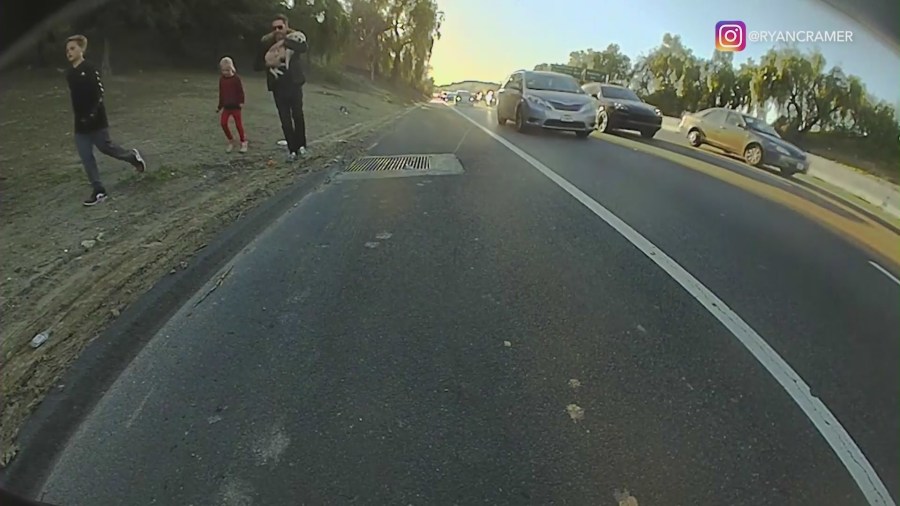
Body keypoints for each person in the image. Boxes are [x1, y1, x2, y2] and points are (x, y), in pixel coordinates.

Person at [64, 34, 146, 206]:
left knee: (106, 148)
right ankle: (99, 190)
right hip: (80, 124)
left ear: (81, 49)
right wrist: (80, 117)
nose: (69, 52)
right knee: (86, 156)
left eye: (72, 48)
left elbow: (99, 93)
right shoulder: (70, 73)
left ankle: (132, 157)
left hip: (96, 120)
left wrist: (92, 114)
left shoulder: (90, 68)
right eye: (67, 50)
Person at [254, 14, 309, 162]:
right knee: (285, 120)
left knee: (297, 115)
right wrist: (270, 62)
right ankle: (292, 150)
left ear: (286, 26)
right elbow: (257, 65)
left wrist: (284, 42)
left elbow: (303, 47)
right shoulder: (266, 43)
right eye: (274, 28)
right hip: (278, 86)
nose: (277, 30)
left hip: (294, 83)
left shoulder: (295, 38)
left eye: (280, 27)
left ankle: (301, 146)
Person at [217, 56, 248, 153]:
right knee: (223, 123)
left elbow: (240, 91)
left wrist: (241, 102)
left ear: (231, 68)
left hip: (236, 107)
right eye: (223, 70)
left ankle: (243, 142)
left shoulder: (236, 79)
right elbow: (221, 93)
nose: (225, 73)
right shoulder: (222, 80)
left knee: (238, 125)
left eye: (227, 70)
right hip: (226, 106)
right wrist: (220, 106)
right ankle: (231, 140)